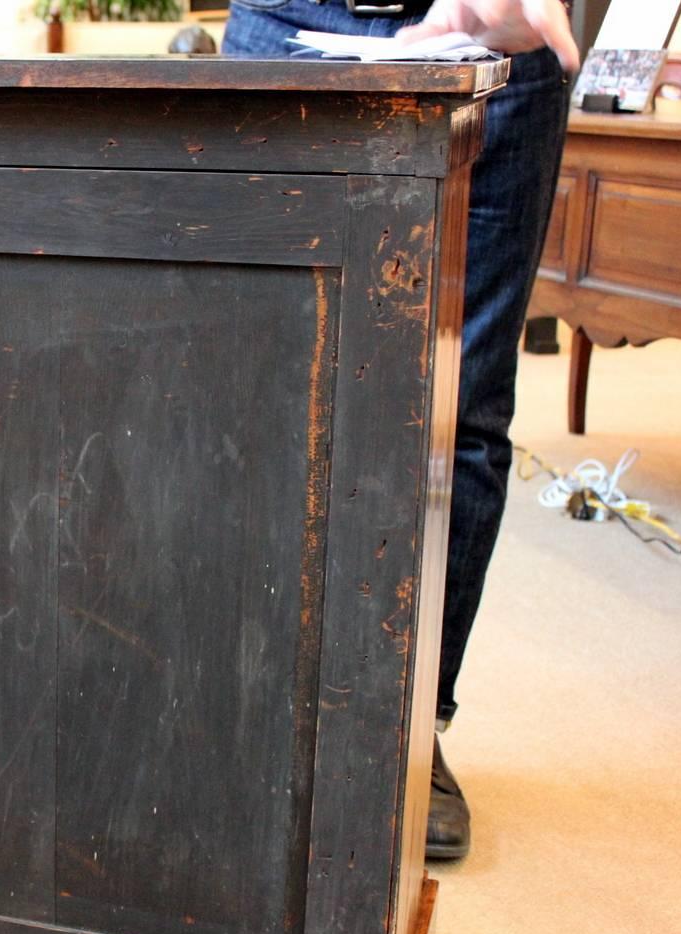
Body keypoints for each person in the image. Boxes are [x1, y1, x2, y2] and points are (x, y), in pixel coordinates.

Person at [223, 0, 579, 860]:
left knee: (463, 405)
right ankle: (238, 722)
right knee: (246, 398)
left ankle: (416, 734)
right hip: (288, 26)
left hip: (496, 44)